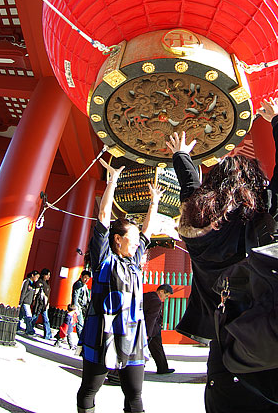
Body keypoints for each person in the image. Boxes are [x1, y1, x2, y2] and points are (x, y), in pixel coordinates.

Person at [166, 98, 278, 413]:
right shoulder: (274, 211)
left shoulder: (199, 232)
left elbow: (190, 188)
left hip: (232, 365)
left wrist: (181, 155)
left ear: (211, 191)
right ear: (255, 183)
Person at [77, 158, 162, 413]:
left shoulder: (134, 261)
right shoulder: (104, 259)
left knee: (135, 393)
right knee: (90, 389)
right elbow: (104, 216)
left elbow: (147, 230)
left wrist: (154, 202)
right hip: (102, 331)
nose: (137, 243)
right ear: (117, 239)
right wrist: (112, 181)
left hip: (132, 334)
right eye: (132, 239)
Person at [143, 284, 174, 374]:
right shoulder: (156, 301)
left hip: (144, 327)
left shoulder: (147, 295)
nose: (165, 298)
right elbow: (151, 318)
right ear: (161, 291)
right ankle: (162, 368)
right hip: (152, 330)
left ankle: (163, 368)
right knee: (157, 349)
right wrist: (148, 333)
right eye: (166, 295)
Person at [31, 268, 53, 339]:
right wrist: (34, 300)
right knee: (35, 316)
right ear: (43, 275)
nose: (48, 277)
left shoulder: (47, 283)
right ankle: (29, 329)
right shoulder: (40, 282)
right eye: (47, 275)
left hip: (45, 304)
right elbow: (36, 292)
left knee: (46, 319)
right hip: (39, 303)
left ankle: (48, 334)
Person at [17, 269, 39, 336]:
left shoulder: (33, 284)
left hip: (28, 302)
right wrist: (20, 301)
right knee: (28, 316)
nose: (37, 278)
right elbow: (23, 292)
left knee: (20, 316)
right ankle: (30, 330)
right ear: (32, 275)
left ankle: (17, 328)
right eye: (36, 276)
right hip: (25, 302)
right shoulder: (27, 282)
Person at [72, 270, 91, 337]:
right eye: (85, 277)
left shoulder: (84, 285)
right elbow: (75, 296)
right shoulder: (78, 284)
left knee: (71, 323)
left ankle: (59, 336)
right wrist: (75, 307)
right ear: (81, 276)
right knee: (80, 323)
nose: (86, 280)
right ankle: (81, 339)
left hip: (83, 307)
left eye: (88, 278)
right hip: (78, 307)